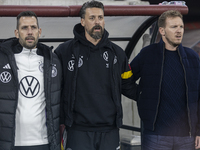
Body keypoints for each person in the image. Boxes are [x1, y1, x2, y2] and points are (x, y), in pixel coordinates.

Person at [54, 1, 137, 150]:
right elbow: (54, 88)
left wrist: (153, 95)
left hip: (109, 131)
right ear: (82, 21)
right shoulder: (64, 52)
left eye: (100, 17)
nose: (97, 22)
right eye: (92, 18)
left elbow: (128, 86)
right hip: (77, 131)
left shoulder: (117, 53)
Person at [130, 10, 200, 150]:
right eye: (174, 27)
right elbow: (125, 79)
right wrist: (141, 95)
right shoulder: (147, 54)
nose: (179, 31)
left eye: (181, 26)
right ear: (162, 30)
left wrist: (198, 131)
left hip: (187, 137)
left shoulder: (193, 57)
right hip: (155, 136)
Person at [0, 11, 62, 150]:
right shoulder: (2, 60)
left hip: (44, 142)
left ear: (39, 31)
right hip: (10, 143)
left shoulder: (53, 61)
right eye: (24, 28)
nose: (29, 32)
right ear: (17, 33)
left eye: (33, 27)